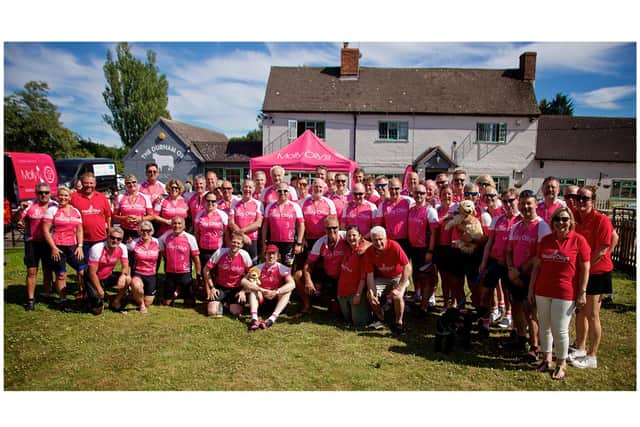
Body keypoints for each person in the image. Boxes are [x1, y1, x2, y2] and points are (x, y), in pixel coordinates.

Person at [528, 207, 590, 380]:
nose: (561, 223)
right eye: (557, 219)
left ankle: (561, 363)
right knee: (544, 326)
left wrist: (582, 292)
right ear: (552, 222)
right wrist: (531, 288)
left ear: (570, 221)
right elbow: (537, 267)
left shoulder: (579, 241)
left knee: (560, 329)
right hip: (543, 290)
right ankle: (546, 358)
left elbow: (585, 268)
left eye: (564, 219)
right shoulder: (546, 240)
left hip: (565, 292)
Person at [570, 186, 615, 369]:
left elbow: (603, 248)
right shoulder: (574, 216)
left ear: (593, 201)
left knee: (592, 313)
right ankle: (580, 347)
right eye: (578, 198)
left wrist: (585, 267)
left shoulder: (601, 220)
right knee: (580, 311)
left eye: (585, 199)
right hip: (580, 271)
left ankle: (592, 355)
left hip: (597, 272)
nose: (581, 201)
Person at [505, 189, 552, 358]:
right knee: (516, 306)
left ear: (535, 205)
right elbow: (509, 251)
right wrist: (511, 269)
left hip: (531, 277)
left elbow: (538, 257)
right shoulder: (516, 226)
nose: (525, 207)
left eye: (529, 204)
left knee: (530, 311)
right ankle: (521, 337)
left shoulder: (542, 227)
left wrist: (518, 271)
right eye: (523, 203)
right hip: (514, 274)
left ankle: (535, 346)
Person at [479, 188, 521, 330]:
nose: (508, 204)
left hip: (511, 263)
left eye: (511, 201)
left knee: (509, 292)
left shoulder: (521, 220)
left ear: (517, 200)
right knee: (486, 292)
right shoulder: (497, 219)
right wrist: (484, 262)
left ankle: (509, 316)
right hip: (494, 261)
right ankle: (485, 322)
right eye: (505, 201)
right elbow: (489, 242)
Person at [42, 186, 86, 310]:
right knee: (61, 274)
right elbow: (45, 230)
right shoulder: (52, 210)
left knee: (82, 271)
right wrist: (53, 248)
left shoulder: (75, 211)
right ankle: (63, 299)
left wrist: (80, 246)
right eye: (61, 195)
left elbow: (79, 230)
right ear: (57, 196)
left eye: (66, 195)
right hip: (58, 247)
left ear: (70, 198)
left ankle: (83, 294)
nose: (63, 198)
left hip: (72, 247)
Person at [294, 215, 347, 317]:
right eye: (328, 228)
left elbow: (363, 242)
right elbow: (308, 264)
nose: (331, 230)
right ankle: (307, 306)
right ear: (324, 229)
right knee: (298, 275)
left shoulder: (346, 237)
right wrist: (308, 281)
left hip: (344, 277)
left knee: (337, 312)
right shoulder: (320, 242)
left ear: (339, 227)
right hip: (327, 275)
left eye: (334, 227)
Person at [364, 226, 412, 335]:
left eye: (381, 239)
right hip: (383, 277)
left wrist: (400, 287)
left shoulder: (394, 246)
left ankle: (398, 322)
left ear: (386, 238)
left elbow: (407, 267)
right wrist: (372, 292)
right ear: (371, 240)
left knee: (397, 296)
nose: (378, 242)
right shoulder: (369, 251)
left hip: (398, 276)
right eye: (375, 240)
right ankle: (381, 317)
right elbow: (370, 275)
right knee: (370, 295)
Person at [70, 172, 112, 297]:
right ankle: (82, 290)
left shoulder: (101, 197)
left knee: (99, 267)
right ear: (82, 183)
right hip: (83, 240)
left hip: (100, 239)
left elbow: (108, 216)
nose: (88, 185)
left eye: (91, 183)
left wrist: (109, 230)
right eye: (86, 183)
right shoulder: (74, 197)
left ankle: (98, 289)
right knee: (82, 268)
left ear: (95, 184)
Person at [17, 183, 56, 310]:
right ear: (36, 194)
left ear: (50, 193)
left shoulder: (54, 205)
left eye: (46, 192)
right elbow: (18, 220)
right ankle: (30, 300)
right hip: (32, 242)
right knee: (32, 271)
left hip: (49, 242)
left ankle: (47, 294)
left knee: (48, 270)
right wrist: (20, 213)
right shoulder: (30, 205)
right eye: (40, 193)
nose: (43, 195)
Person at [242, 244, 295, 330]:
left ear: (278, 256)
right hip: (262, 299)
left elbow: (292, 284)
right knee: (253, 290)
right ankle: (254, 319)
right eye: (269, 253)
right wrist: (259, 289)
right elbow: (243, 281)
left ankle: (272, 319)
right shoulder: (258, 268)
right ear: (265, 255)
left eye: (274, 254)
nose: (271, 256)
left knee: (287, 291)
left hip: (276, 300)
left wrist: (276, 292)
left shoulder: (283, 268)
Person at [202, 231, 253, 317]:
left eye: (238, 243)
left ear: (242, 245)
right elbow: (206, 269)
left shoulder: (245, 255)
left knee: (236, 312)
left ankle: (227, 304)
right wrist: (212, 288)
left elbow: (251, 274)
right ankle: (221, 303)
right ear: (230, 242)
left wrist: (243, 291)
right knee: (212, 312)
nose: (235, 245)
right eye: (233, 242)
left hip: (236, 289)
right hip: (221, 287)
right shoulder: (220, 252)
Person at [408, 183, 439, 312]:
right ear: (413, 194)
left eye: (422, 193)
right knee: (416, 274)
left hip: (425, 249)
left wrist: (430, 251)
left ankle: (424, 306)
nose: (419, 196)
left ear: (426, 194)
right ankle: (418, 297)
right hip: (414, 248)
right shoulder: (412, 209)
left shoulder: (430, 210)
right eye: (417, 193)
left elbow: (434, 233)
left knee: (426, 277)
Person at [84, 226, 129, 315]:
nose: (115, 241)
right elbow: (91, 273)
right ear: (108, 237)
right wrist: (99, 289)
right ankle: (90, 295)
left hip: (107, 276)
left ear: (121, 240)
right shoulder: (97, 248)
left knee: (128, 278)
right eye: (112, 238)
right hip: (93, 278)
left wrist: (123, 275)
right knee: (98, 311)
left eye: (118, 239)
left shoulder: (123, 247)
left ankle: (116, 302)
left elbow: (126, 266)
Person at [158, 216, 201, 307]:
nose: (176, 226)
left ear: (184, 226)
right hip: (170, 272)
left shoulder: (190, 238)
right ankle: (175, 293)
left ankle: (179, 293)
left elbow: (196, 258)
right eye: (174, 223)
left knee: (190, 304)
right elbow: (157, 242)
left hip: (185, 272)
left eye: (179, 223)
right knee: (166, 303)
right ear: (171, 225)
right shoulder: (166, 236)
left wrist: (198, 274)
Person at [262, 182, 305, 266]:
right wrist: (263, 243)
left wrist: (299, 243)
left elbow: (301, 225)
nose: (282, 193)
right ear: (276, 192)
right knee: (273, 265)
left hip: (290, 243)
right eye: (280, 191)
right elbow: (265, 226)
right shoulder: (269, 206)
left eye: (285, 191)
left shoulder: (295, 206)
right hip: (273, 242)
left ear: (288, 192)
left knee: (288, 266)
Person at [337, 225, 372, 327]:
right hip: (342, 292)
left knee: (359, 323)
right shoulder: (347, 248)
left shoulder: (363, 252)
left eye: (354, 235)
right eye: (348, 236)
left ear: (360, 236)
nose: (351, 238)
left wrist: (358, 295)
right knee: (347, 319)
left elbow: (363, 277)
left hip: (354, 293)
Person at [125, 221, 161, 313]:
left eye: (148, 230)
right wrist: (127, 273)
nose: (145, 233)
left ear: (152, 231)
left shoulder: (158, 242)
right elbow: (125, 257)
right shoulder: (133, 242)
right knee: (137, 286)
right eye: (143, 230)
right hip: (138, 273)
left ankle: (134, 295)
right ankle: (141, 305)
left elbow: (165, 255)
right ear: (139, 231)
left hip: (152, 274)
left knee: (148, 302)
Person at [375, 177, 415, 257]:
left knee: (405, 266)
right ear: (388, 190)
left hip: (406, 241)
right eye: (391, 189)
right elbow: (378, 225)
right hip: (390, 240)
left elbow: (420, 207)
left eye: (396, 188)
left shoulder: (409, 201)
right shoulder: (383, 205)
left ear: (401, 189)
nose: (393, 191)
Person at [194, 191, 228, 278]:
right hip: (203, 248)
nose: (210, 203)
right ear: (204, 202)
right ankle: (205, 290)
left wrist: (227, 248)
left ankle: (216, 289)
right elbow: (197, 233)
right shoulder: (199, 214)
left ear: (216, 202)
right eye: (208, 201)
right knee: (205, 271)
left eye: (213, 201)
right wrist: (197, 248)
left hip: (218, 249)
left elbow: (227, 234)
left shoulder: (222, 215)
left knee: (217, 272)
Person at [228, 179, 264, 261]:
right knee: (238, 263)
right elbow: (231, 223)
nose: (247, 189)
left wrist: (241, 232)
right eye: (245, 187)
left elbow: (258, 223)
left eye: (250, 187)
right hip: (237, 240)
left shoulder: (258, 204)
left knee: (252, 266)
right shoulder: (234, 203)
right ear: (241, 188)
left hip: (252, 240)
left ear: (254, 189)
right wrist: (243, 236)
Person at [112, 174, 154, 243]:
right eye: (128, 183)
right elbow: (114, 216)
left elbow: (152, 216)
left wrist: (140, 219)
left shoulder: (145, 197)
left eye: (133, 182)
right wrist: (124, 218)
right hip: (125, 231)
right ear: (125, 185)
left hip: (141, 231)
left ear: (137, 183)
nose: (131, 184)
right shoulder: (120, 197)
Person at [299, 178, 336, 251]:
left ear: (324, 188)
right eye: (316, 186)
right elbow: (299, 223)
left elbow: (333, 223)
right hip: (308, 239)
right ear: (311, 188)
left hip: (324, 239)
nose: (318, 189)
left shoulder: (330, 203)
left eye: (320, 187)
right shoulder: (302, 202)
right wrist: (302, 239)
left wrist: (332, 239)